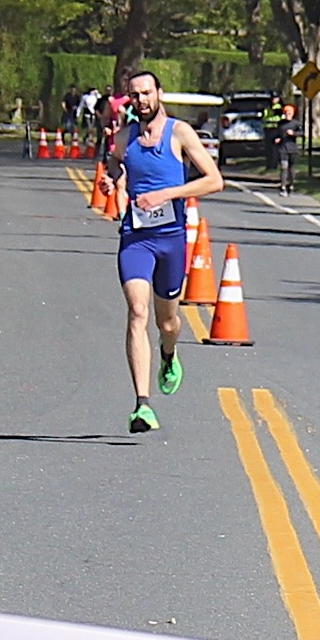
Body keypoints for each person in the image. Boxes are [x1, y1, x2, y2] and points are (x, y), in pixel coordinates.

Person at [101, 70, 224, 432]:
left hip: (171, 239)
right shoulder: (126, 137)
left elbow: (214, 180)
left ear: (159, 94)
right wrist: (111, 179)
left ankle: (169, 354)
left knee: (166, 321)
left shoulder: (180, 133)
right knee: (137, 311)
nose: (141, 100)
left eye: (146, 93)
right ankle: (142, 404)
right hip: (136, 237)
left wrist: (167, 194)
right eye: (134, 95)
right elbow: (113, 163)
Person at [277, 102, 299, 194]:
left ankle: (291, 184)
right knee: (283, 167)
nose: (287, 114)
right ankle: (283, 186)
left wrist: (293, 133)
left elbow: (302, 133)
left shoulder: (296, 123)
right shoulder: (281, 123)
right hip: (283, 148)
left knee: (291, 168)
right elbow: (277, 133)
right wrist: (277, 138)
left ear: (293, 113)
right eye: (286, 112)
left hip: (292, 149)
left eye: (289, 113)